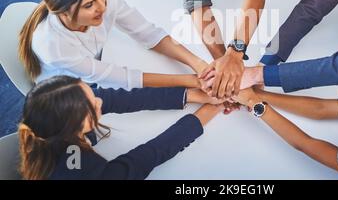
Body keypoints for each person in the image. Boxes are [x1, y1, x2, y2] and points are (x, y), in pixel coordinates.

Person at [19, 0, 210, 91]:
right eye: (89, 5)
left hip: (96, 59)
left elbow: (147, 32)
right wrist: (192, 81)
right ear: (63, 12)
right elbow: (120, 78)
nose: (102, 6)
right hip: (68, 89)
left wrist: (200, 65)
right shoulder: (53, 47)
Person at [18, 75, 225, 180]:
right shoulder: (76, 163)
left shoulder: (60, 116)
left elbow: (123, 98)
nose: (100, 102)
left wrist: (189, 95)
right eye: (93, 107)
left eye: (91, 94)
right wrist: (204, 115)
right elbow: (141, 161)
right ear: (70, 130)